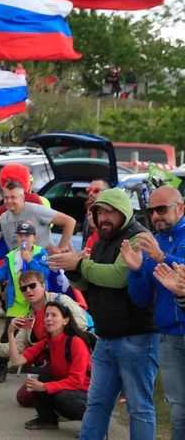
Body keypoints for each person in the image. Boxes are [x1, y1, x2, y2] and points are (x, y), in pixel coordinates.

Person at [46, 188, 157, 440]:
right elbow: (87, 283)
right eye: (99, 212)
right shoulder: (101, 241)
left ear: (124, 212)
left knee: (139, 408)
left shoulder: (139, 237)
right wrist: (73, 268)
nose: (103, 218)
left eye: (110, 213)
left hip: (136, 338)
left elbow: (119, 277)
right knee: (96, 404)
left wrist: (79, 264)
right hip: (105, 338)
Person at [126, 186, 185, 438]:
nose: (156, 216)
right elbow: (140, 300)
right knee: (178, 408)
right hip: (169, 337)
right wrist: (137, 270)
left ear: (180, 208)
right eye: (152, 211)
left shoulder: (160, 248)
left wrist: (163, 257)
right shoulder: (152, 242)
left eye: (162, 209)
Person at [0, 270, 88, 405]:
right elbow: (18, 347)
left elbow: (82, 323)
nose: (28, 291)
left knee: (61, 396)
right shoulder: (29, 318)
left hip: (75, 359)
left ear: (43, 285)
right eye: (23, 288)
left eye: (32, 286)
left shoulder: (60, 301)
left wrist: (53, 333)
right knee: (24, 398)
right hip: (55, 364)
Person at [0, 220, 52, 383]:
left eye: (27, 235)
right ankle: (2, 368)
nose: (23, 238)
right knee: (8, 335)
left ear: (35, 237)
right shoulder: (11, 255)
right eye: (21, 235)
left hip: (37, 304)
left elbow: (44, 274)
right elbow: (0, 276)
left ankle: (39, 369)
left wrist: (29, 259)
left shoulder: (41, 253)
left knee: (40, 336)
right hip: (16, 305)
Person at [7, 300, 92, 430]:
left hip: (88, 392)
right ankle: (47, 419)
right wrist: (11, 333)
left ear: (65, 321)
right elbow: (16, 361)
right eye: (46, 315)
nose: (49, 319)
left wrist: (45, 387)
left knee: (62, 396)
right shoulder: (48, 342)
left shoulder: (76, 342)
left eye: (54, 315)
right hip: (70, 388)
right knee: (40, 375)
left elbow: (77, 381)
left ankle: (96, 424)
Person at [0, 181, 76, 254]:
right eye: (6, 197)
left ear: (22, 198)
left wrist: (60, 248)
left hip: (43, 267)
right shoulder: (3, 219)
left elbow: (70, 221)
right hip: (19, 270)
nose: (9, 201)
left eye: (13, 197)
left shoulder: (35, 210)